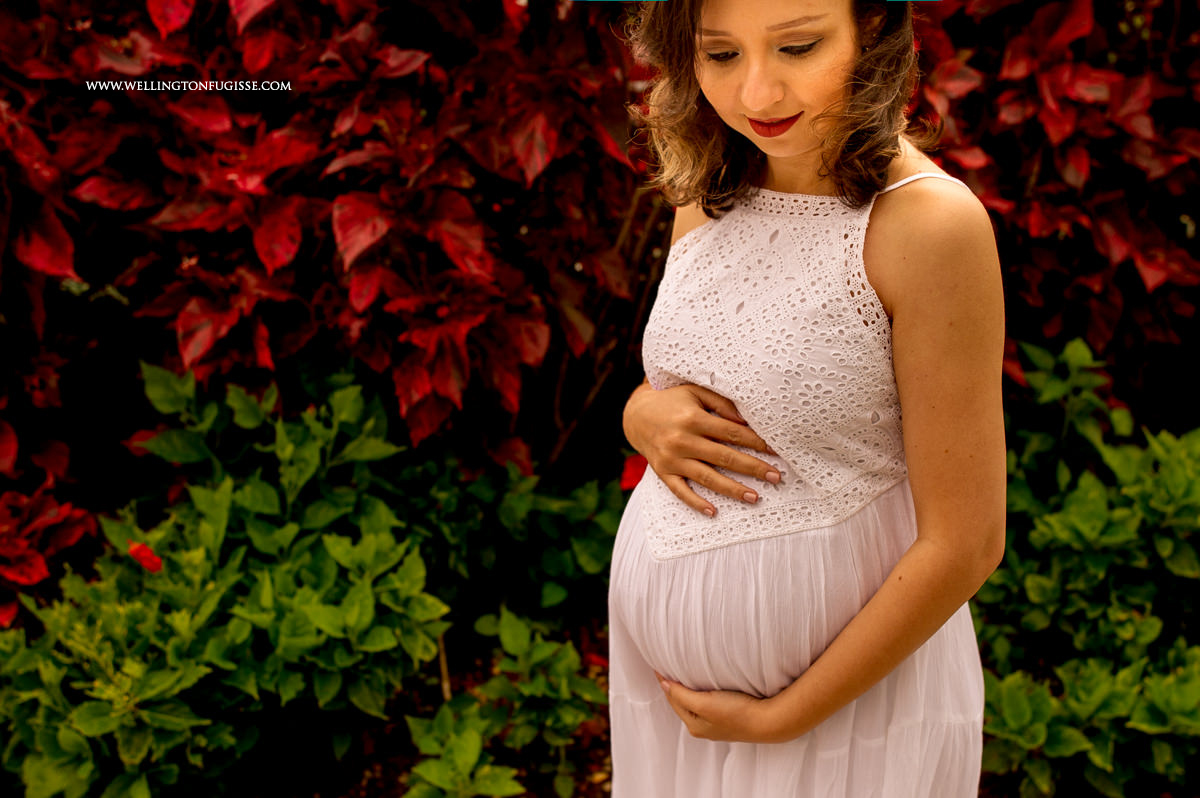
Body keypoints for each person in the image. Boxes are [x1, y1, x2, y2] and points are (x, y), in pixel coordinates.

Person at [607, 0, 1006, 795]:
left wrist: (782, 718)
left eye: (797, 45)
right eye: (720, 55)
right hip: (670, 715)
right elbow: (705, 380)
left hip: (845, 724)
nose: (758, 93)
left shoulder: (927, 226)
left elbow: (966, 542)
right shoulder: (711, 187)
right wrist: (638, 414)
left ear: (875, 31)